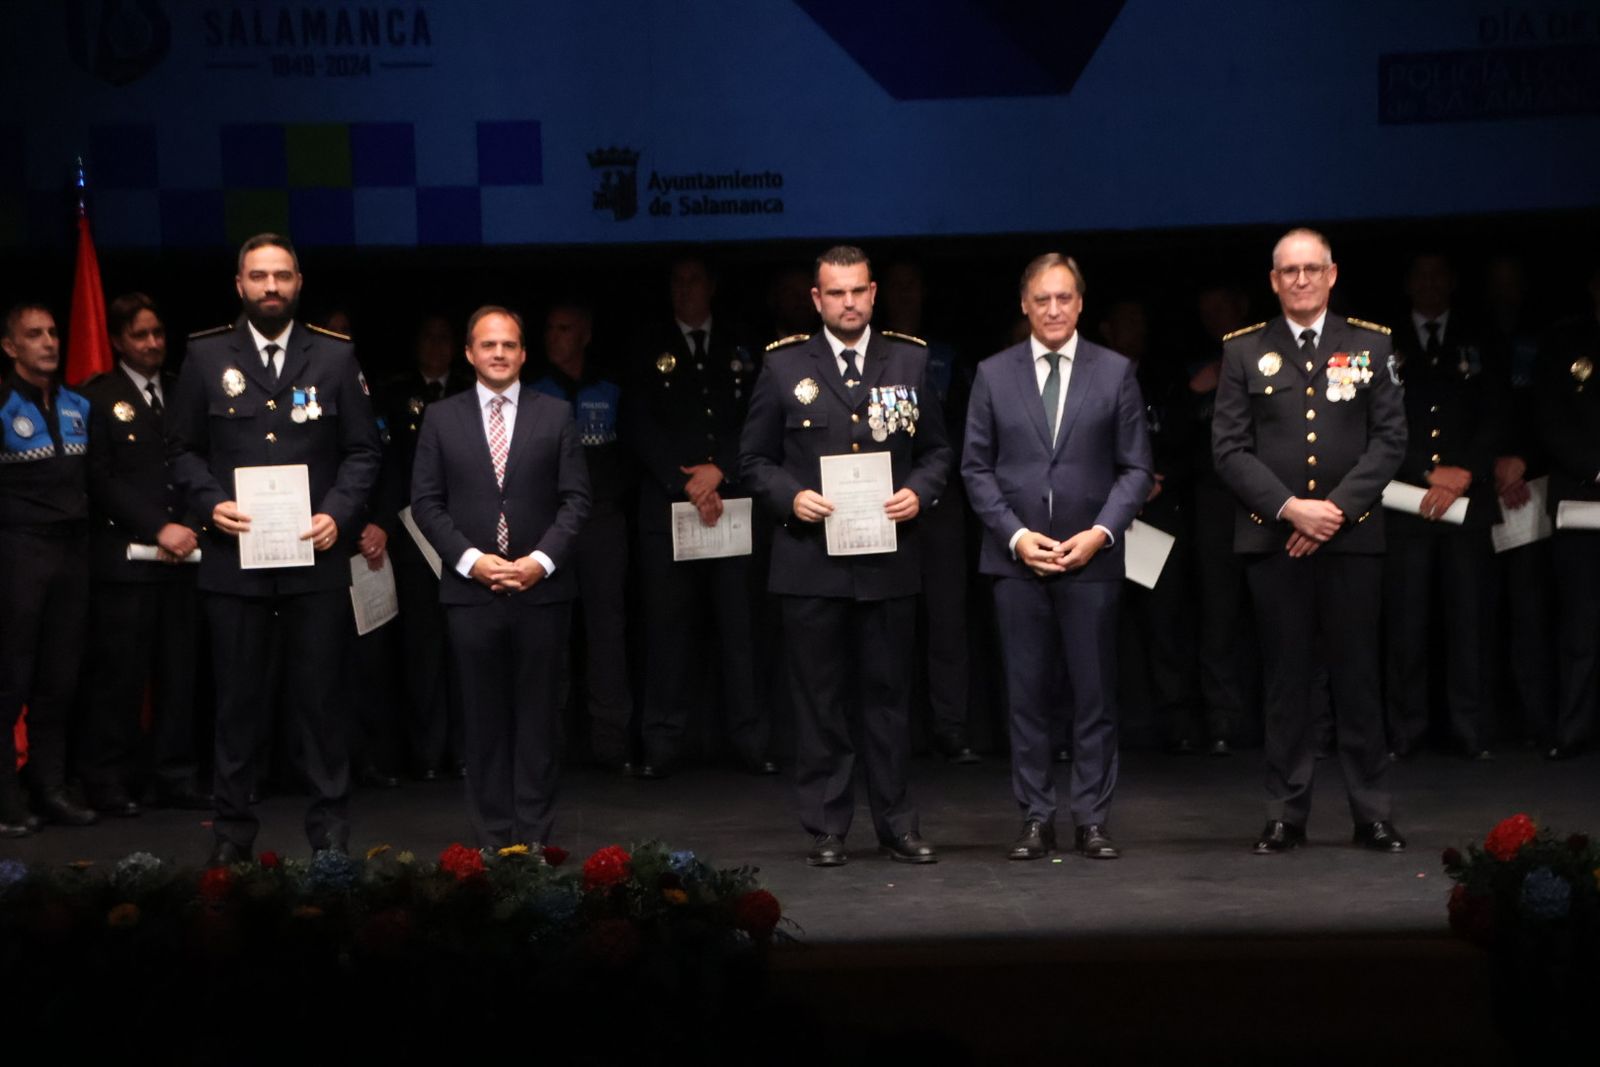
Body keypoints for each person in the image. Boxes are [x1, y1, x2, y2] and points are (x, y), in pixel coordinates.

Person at [168, 233, 382, 865]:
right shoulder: (206, 357)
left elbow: (365, 452)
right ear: (239, 284)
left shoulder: (335, 357)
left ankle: (330, 834)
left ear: (298, 282)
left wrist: (338, 515)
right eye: (258, 276)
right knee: (237, 705)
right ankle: (232, 834)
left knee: (321, 703)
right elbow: (180, 448)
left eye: (281, 276)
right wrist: (208, 503)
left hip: (315, 560)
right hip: (236, 565)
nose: (270, 287)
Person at [740, 245, 951, 867]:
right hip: (811, 562)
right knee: (819, 702)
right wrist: (790, 496)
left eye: (858, 291)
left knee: (888, 700)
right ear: (816, 299)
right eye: (836, 293)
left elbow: (940, 450)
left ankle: (896, 824)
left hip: (888, 561)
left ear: (874, 292)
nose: (849, 302)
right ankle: (827, 826)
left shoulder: (909, 359)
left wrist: (920, 491)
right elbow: (752, 458)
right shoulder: (783, 367)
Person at [1212, 227, 1408, 855]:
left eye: (1311, 269)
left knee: (1357, 679)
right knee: (1286, 681)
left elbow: (1389, 442)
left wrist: (1335, 512)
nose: (1300, 279)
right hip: (1275, 540)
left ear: (1332, 275)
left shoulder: (1370, 345)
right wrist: (1293, 509)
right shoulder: (1245, 351)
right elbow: (1229, 449)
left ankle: (1371, 812)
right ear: (1273, 281)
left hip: (1350, 540)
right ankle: (1285, 812)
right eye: (1288, 271)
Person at [962, 255, 1153, 861]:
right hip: (1016, 561)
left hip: (1090, 558)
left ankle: (1092, 818)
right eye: (1042, 299)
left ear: (1080, 303)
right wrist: (1018, 537)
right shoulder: (992, 375)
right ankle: (1036, 818)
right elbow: (975, 468)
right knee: (1026, 695)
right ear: (1024, 303)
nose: (1052, 309)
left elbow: (1136, 468)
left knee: (1094, 695)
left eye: (1064, 298)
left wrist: (1100, 533)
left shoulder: (1115, 371)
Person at [410, 306, 590, 848]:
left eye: (509, 345)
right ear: (469, 353)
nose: (498, 353)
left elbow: (577, 501)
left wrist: (540, 562)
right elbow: (425, 503)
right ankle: (493, 839)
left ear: (523, 354)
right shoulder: (441, 418)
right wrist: (470, 560)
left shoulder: (555, 414)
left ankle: (533, 836)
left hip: (542, 589)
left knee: (538, 719)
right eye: (488, 345)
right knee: (483, 721)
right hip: (471, 592)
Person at [628, 255, 772, 777]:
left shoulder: (742, 343)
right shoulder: (646, 344)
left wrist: (722, 469)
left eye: (694, 279)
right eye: (677, 279)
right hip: (671, 508)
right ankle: (662, 744)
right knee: (667, 630)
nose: (685, 288)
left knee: (741, 628)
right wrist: (685, 480)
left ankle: (752, 740)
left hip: (731, 502)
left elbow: (761, 415)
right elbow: (638, 423)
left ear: (712, 285)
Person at [78, 293, 210, 815]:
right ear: (116, 341)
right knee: (120, 678)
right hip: (127, 560)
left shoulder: (182, 392)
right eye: (140, 335)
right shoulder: (96, 397)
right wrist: (159, 527)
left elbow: (202, 462)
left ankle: (175, 775)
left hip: (186, 559)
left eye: (158, 333)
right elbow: (99, 477)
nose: (153, 344)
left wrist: (194, 527)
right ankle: (108, 779)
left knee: (181, 675)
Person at [1382, 253, 1504, 760]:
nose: (1430, 284)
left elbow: (1499, 411)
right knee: (1406, 624)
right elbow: (1374, 420)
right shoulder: (1383, 341)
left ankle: (1470, 730)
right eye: (1420, 275)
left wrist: (1465, 473)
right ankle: (1405, 733)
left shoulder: (1482, 337)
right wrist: (1425, 471)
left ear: (1452, 283)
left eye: (1439, 275)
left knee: (1469, 621)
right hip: (1408, 499)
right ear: (1408, 284)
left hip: (1466, 501)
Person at [0, 304, 96, 835]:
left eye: (54, 332)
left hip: (72, 552)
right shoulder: (1, 403)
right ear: (10, 347)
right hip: (17, 550)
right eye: (34, 335)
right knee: (10, 680)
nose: (49, 342)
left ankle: (50, 786)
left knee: (59, 680)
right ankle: (5, 794)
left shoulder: (79, 403)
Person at [878, 259, 979, 763]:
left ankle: (951, 727)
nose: (904, 295)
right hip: (879, 505)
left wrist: (928, 484)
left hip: (939, 502)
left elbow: (962, 430)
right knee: (887, 624)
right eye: (896, 286)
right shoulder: (870, 358)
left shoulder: (943, 358)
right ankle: (894, 730)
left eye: (912, 285)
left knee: (947, 621)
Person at [527, 301, 635, 771]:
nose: (556, 336)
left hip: (603, 521)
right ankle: (548, 745)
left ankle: (612, 746)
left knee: (608, 633)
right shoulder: (532, 392)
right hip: (547, 526)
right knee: (548, 633)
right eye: (549, 327)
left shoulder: (610, 387)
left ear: (586, 334)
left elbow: (631, 453)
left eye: (565, 327)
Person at [381, 314, 474, 780]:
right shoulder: (395, 393)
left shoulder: (468, 390)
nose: (437, 346)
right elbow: (389, 460)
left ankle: (465, 749)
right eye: (429, 336)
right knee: (422, 651)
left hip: (467, 538)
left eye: (445, 337)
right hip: (413, 537)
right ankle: (426, 752)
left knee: (466, 648)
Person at [1535, 264, 1600, 758]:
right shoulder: (1565, 342)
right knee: (1579, 626)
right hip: (1583, 498)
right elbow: (1549, 418)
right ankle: (1573, 731)